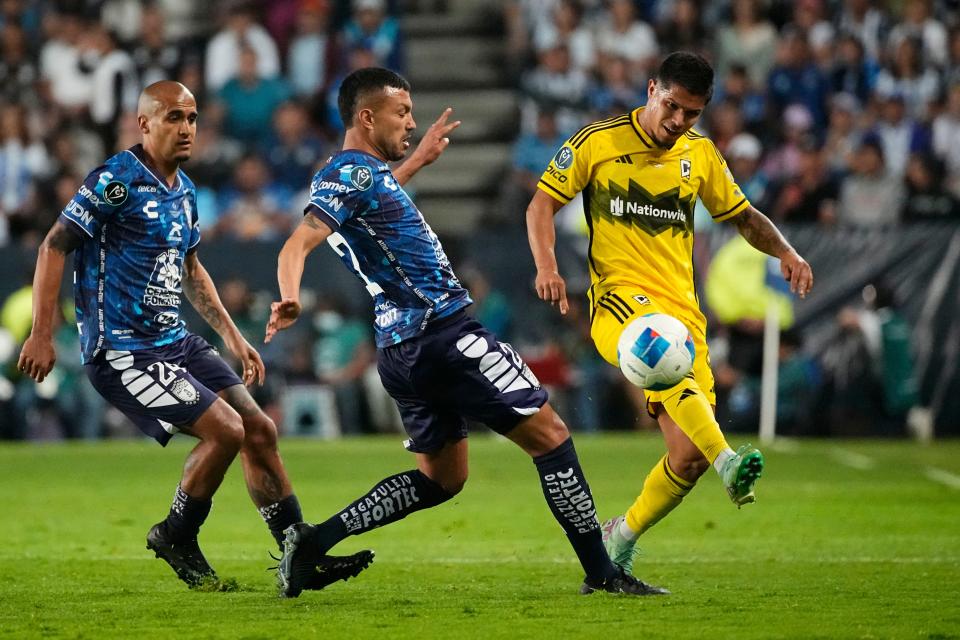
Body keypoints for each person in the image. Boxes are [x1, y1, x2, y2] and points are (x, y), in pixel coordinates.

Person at [264, 67, 666, 599]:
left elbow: (372, 202)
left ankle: (312, 544)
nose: (411, 121)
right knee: (552, 438)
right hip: (445, 336)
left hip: (403, 349)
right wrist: (289, 294)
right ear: (366, 117)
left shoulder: (363, 177)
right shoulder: (346, 176)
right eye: (401, 113)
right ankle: (603, 572)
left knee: (441, 479)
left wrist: (415, 162)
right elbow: (298, 242)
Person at [16, 81, 372, 590]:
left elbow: (192, 268)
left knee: (259, 430)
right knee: (226, 429)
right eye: (174, 118)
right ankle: (177, 533)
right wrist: (41, 333)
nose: (187, 129)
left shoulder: (184, 190)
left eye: (192, 118)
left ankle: (300, 550)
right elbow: (53, 246)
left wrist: (231, 334)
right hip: (123, 350)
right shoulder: (115, 180)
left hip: (175, 341)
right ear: (145, 124)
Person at [524, 52, 813, 578]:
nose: (678, 121)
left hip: (684, 314)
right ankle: (730, 461)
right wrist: (548, 265)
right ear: (652, 88)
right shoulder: (598, 141)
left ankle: (621, 537)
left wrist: (787, 253)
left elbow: (743, 216)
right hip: (619, 302)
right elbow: (541, 204)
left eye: (692, 114)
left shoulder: (700, 155)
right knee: (662, 360)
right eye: (672, 106)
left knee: (686, 457)